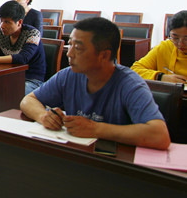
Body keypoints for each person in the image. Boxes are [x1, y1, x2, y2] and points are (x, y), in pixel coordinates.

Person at [20, 17, 170, 150]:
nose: (69, 53)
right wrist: (43, 116)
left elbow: (160, 135)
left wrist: (96, 129)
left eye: (78, 48)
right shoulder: (68, 75)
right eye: (70, 45)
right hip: (76, 153)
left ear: (104, 55)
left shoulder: (130, 84)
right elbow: (28, 100)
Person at [0, 0, 46, 95]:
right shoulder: (0, 32)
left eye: (7, 22)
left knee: (10, 94)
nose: (2, 26)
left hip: (31, 80)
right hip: (8, 77)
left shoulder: (33, 34)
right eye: (1, 21)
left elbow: (23, 58)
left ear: (19, 22)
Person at [132, 10, 187, 83]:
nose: (180, 44)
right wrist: (160, 77)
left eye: (186, 39)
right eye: (175, 38)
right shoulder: (165, 47)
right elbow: (134, 70)